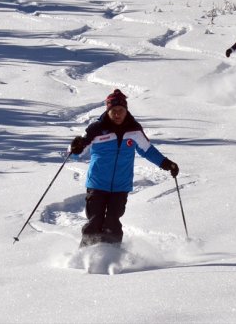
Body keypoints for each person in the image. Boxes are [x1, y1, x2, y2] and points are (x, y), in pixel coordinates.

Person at [69, 89, 180, 248]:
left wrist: (166, 164)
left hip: (120, 186)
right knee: (95, 221)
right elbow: (75, 153)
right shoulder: (96, 130)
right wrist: (75, 147)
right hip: (97, 184)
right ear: (108, 111)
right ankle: (85, 254)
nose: (117, 114)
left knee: (113, 221)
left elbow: (147, 150)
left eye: (121, 110)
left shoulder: (134, 130)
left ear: (126, 110)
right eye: (114, 111)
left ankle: (111, 254)